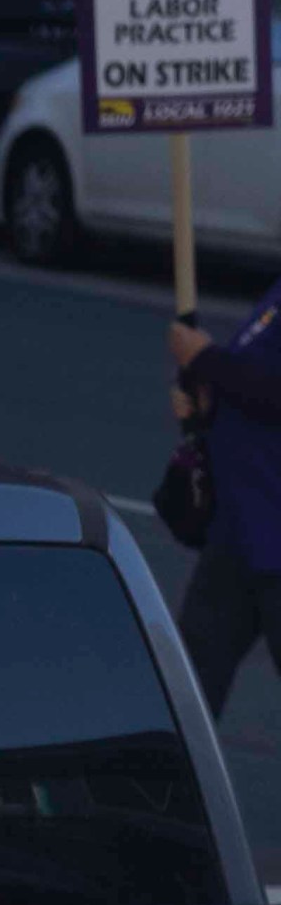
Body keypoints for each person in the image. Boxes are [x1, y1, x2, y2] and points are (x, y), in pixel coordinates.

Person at [169, 289, 281, 715]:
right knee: (186, 696)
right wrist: (205, 403)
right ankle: (169, 781)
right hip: (240, 530)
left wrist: (206, 360)